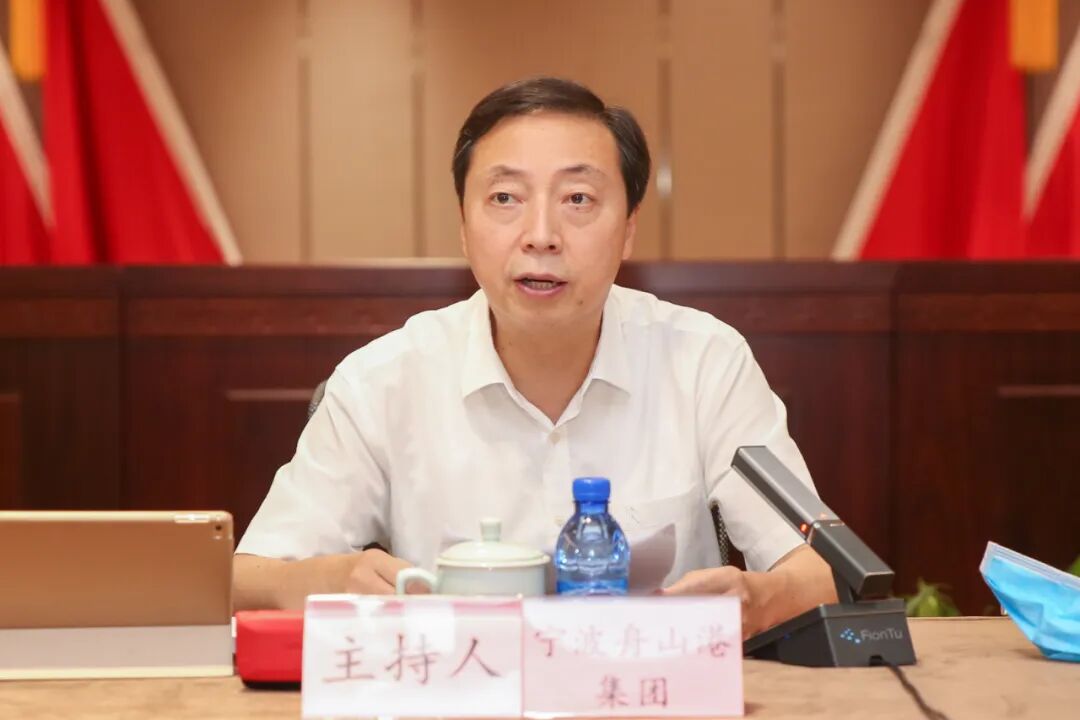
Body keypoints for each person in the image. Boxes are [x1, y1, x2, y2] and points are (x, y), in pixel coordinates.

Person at [233, 77, 836, 637]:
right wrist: (331, 578)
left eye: (578, 198)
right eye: (505, 197)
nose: (541, 234)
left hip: (653, 688)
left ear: (628, 229)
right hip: (460, 688)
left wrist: (759, 600)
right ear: (463, 227)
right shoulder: (381, 382)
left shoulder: (706, 364)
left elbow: (824, 572)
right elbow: (245, 580)